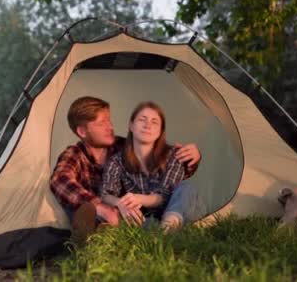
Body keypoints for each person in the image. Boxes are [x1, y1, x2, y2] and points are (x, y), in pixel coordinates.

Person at [50, 97, 201, 239]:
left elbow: (174, 180)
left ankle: (109, 231)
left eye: (109, 120)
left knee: (185, 189)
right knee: (80, 207)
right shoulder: (74, 154)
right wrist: (100, 207)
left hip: (143, 208)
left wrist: (191, 159)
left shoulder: (126, 145)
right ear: (82, 132)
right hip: (117, 213)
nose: (110, 127)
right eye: (101, 123)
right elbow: (59, 180)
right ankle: (96, 233)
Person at [101, 101, 205, 231]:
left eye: (154, 122)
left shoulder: (174, 154)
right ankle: (160, 231)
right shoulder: (117, 160)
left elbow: (164, 196)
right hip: (149, 216)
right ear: (131, 126)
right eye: (142, 119)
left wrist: (139, 198)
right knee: (127, 214)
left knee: (186, 188)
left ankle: (168, 227)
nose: (147, 125)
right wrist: (120, 203)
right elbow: (105, 194)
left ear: (160, 131)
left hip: (178, 209)